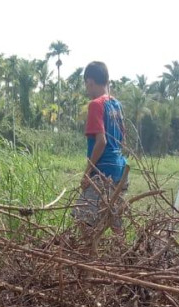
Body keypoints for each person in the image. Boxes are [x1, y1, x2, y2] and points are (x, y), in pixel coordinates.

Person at [74, 61, 128, 236]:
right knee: (115, 222)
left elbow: (101, 142)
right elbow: (122, 140)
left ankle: (88, 258)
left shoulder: (96, 105)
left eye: (86, 85)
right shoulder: (116, 105)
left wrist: (87, 173)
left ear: (90, 82)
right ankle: (127, 257)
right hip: (119, 170)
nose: (87, 90)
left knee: (83, 218)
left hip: (102, 173)